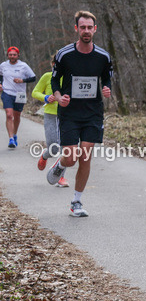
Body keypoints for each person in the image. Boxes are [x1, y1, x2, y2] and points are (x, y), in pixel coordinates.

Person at [46, 12, 113, 217]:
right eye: (82, 27)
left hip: (93, 112)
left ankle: (77, 201)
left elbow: (107, 78)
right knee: (72, 158)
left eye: (89, 27)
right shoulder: (64, 54)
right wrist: (58, 96)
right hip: (69, 113)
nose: (86, 31)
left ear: (95, 29)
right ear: (76, 28)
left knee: (85, 155)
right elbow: (55, 81)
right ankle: (61, 163)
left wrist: (107, 89)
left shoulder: (103, 56)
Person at [31, 55, 69, 187]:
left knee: (65, 147)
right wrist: (46, 97)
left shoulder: (69, 78)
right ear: (52, 64)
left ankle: (60, 177)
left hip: (67, 115)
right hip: (51, 115)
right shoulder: (47, 76)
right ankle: (45, 155)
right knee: (53, 147)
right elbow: (35, 92)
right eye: (56, 63)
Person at [1, 46, 37, 148]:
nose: (12, 56)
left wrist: (22, 81)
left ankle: (15, 134)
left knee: (17, 116)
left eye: (14, 55)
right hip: (7, 92)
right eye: (10, 55)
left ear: (18, 55)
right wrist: (0, 83)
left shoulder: (23, 66)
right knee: (9, 115)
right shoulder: (3, 65)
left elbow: (33, 77)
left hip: (20, 94)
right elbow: (0, 75)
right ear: (7, 55)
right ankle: (11, 139)